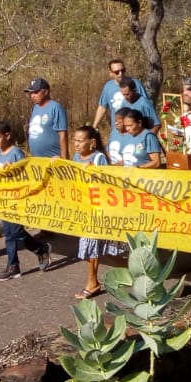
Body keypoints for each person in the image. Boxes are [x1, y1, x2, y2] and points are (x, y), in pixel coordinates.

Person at [0, 120, 51, 281]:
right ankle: (13, 266)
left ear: (7, 136)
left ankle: (40, 249)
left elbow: (26, 175)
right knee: (8, 234)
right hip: (5, 199)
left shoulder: (16, 153)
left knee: (17, 232)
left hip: (18, 199)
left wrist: (14, 169)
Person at [71, 126, 122, 299]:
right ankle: (94, 281)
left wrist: (92, 171)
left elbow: (107, 183)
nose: (76, 144)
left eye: (80, 140)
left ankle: (92, 283)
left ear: (92, 142)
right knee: (98, 248)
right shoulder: (76, 157)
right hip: (83, 208)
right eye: (75, 140)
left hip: (98, 209)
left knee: (92, 245)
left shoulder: (99, 158)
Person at [93, 60, 148, 136]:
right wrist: (94, 126)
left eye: (123, 70)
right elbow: (102, 107)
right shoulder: (108, 87)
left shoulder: (135, 84)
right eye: (117, 72)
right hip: (117, 132)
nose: (120, 74)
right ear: (111, 73)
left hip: (135, 132)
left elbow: (146, 105)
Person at [25, 77, 68, 159]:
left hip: (53, 159)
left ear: (46, 92)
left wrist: (63, 159)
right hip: (38, 160)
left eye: (36, 92)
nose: (32, 96)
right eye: (31, 93)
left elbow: (63, 135)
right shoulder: (35, 108)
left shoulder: (56, 108)